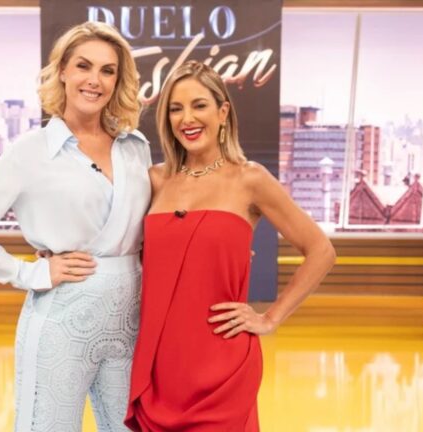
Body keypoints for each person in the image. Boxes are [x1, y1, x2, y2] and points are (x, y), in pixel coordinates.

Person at [0, 22, 151, 432]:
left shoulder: (135, 147)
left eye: (107, 70)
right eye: (83, 66)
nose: (94, 80)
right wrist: (29, 273)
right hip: (61, 320)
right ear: (63, 72)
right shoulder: (31, 151)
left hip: (132, 321)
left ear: (118, 80)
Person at [124, 61, 336, 431]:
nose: (187, 118)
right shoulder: (155, 179)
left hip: (222, 364)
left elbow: (321, 251)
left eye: (199, 105)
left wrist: (270, 317)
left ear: (223, 113)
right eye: (176, 109)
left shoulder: (249, 178)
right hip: (159, 365)